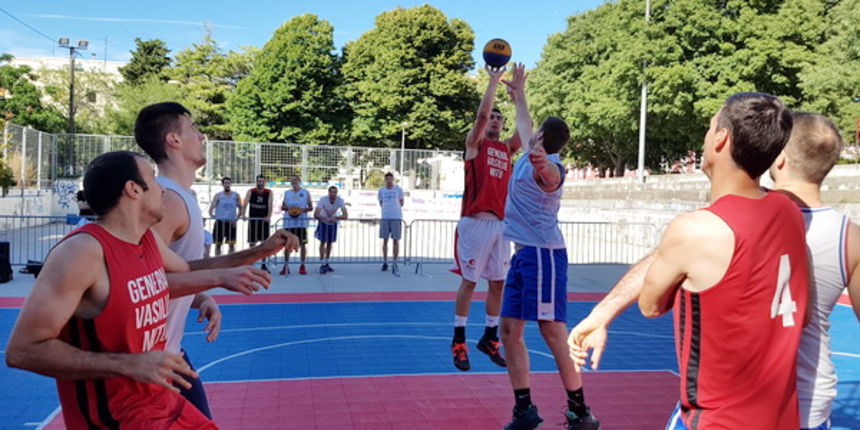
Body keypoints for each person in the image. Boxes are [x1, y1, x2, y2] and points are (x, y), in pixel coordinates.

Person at [569, 93, 806, 429]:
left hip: (717, 419)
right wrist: (603, 311)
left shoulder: (694, 230)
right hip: (780, 416)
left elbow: (651, 305)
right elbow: (677, 255)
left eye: (710, 128)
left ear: (722, 139)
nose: (706, 136)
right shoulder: (788, 212)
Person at [4, 151, 228, 429]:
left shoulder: (146, 240)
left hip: (161, 402)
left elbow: (186, 273)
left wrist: (251, 258)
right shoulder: (82, 252)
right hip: (116, 419)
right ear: (133, 189)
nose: (161, 189)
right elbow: (22, 351)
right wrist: (128, 364)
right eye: (153, 180)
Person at [135, 103, 297, 418]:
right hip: (149, 363)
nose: (202, 135)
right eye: (193, 128)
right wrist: (217, 279)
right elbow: (141, 286)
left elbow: (174, 270)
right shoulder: (168, 201)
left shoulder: (181, 197)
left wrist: (198, 295)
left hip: (170, 355)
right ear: (174, 140)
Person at [497, 63, 598, 430]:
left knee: (552, 332)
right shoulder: (529, 152)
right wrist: (519, 93)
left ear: (541, 138)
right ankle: (524, 409)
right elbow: (523, 123)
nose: (529, 131)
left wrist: (544, 166)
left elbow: (552, 180)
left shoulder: (549, 165)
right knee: (509, 330)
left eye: (534, 131)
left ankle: (581, 411)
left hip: (544, 255)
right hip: (524, 254)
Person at [769, 112, 860, 430]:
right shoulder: (850, 237)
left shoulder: (741, 215)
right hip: (810, 398)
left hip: (744, 397)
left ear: (779, 158)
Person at [449, 64, 522, 372]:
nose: (493, 119)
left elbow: (526, 133)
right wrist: (492, 83)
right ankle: (458, 340)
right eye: (491, 115)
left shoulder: (506, 149)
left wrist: (519, 95)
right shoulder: (475, 145)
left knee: (498, 283)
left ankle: (489, 337)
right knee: (470, 281)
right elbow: (480, 117)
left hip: (499, 225)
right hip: (475, 222)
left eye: (498, 117)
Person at [280, 175, 313, 275]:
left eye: (295, 180)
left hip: (301, 223)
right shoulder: (287, 193)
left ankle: (302, 265)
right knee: (287, 244)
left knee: (303, 244)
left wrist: (301, 210)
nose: (294, 182)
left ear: (299, 181)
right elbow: (282, 207)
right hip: (289, 223)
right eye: (292, 181)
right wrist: (290, 209)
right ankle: (286, 266)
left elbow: (311, 207)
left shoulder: (305, 193)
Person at [242, 175, 274, 272]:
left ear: (265, 182)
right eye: (259, 181)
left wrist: (268, 216)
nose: (260, 183)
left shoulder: (269, 192)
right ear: (256, 182)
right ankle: (251, 263)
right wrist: (243, 214)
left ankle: (263, 264)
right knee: (252, 242)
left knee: (264, 243)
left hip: (263, 220)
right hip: (253, 219)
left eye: (262, 181)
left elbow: (270, 204)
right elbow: (245, 203)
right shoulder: (251, 191)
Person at [314, 185, 348, 274]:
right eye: (331, 192)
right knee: (322, 242)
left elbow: (345, 215)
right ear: (328, 193)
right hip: (323, 223)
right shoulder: (323, 200)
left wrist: (336, 217)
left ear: (337, 193)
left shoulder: (340, 200)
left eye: (334, 192)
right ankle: (322, 264)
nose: (333, 194)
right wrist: (324, 218)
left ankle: (327, 262)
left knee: (330, 243)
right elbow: (316, 213)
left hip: (333, 223)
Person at [378, 172, 404, 276]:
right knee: (385, 240)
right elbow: (381, 203)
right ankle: (385, 262)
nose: (389, 181)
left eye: (390, 179)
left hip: (396, 217)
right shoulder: (381, 190)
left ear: (393, 180)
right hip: (385, 217)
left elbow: (402, 202)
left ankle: (395, 262)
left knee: (396, 241)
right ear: (385, 180)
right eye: (387, 179)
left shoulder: (398, 190)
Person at [208, 177, 241, 256]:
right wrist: (213, 216)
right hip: (220, 223)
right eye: (225, 183)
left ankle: (230, 263)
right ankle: (218, 262)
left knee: (231, 245)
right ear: (223, 184)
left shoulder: (235, 195)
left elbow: (241, 209)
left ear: (231, 184)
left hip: (231, 223)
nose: (227, 185)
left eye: (228, 183)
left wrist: (236, 219)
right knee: (218, 245)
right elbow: (211, 208)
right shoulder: (218, 195)